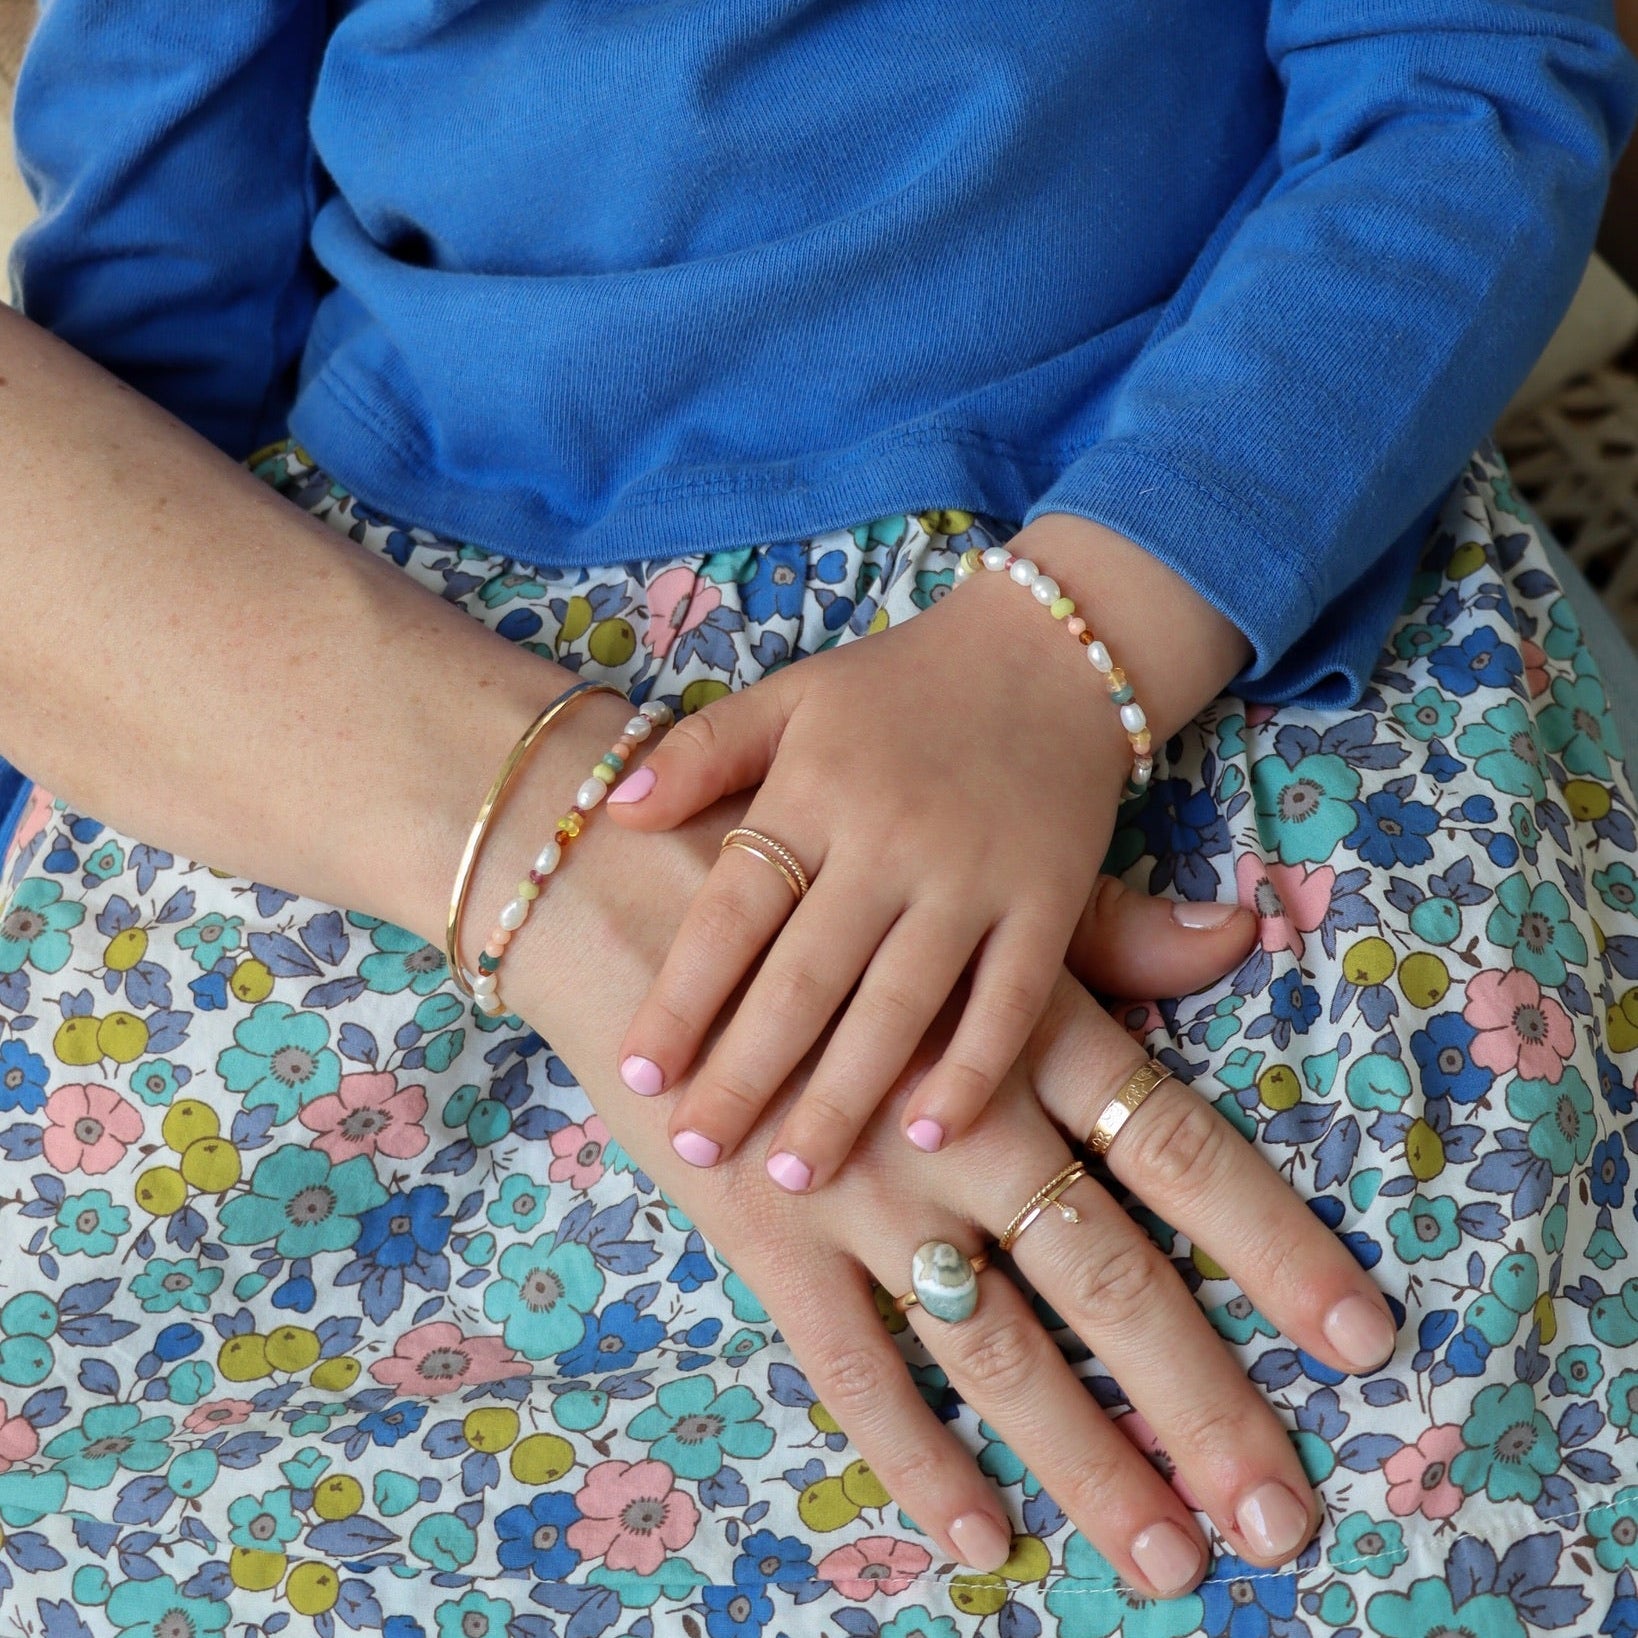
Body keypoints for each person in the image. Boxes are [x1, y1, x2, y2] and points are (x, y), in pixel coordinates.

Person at [0, 3, 1635, 1635]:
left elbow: (1465, 80)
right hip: (393, 678)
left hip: (1170, 574)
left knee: (1404, 1491)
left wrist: (1066, 657)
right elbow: (161, 276)